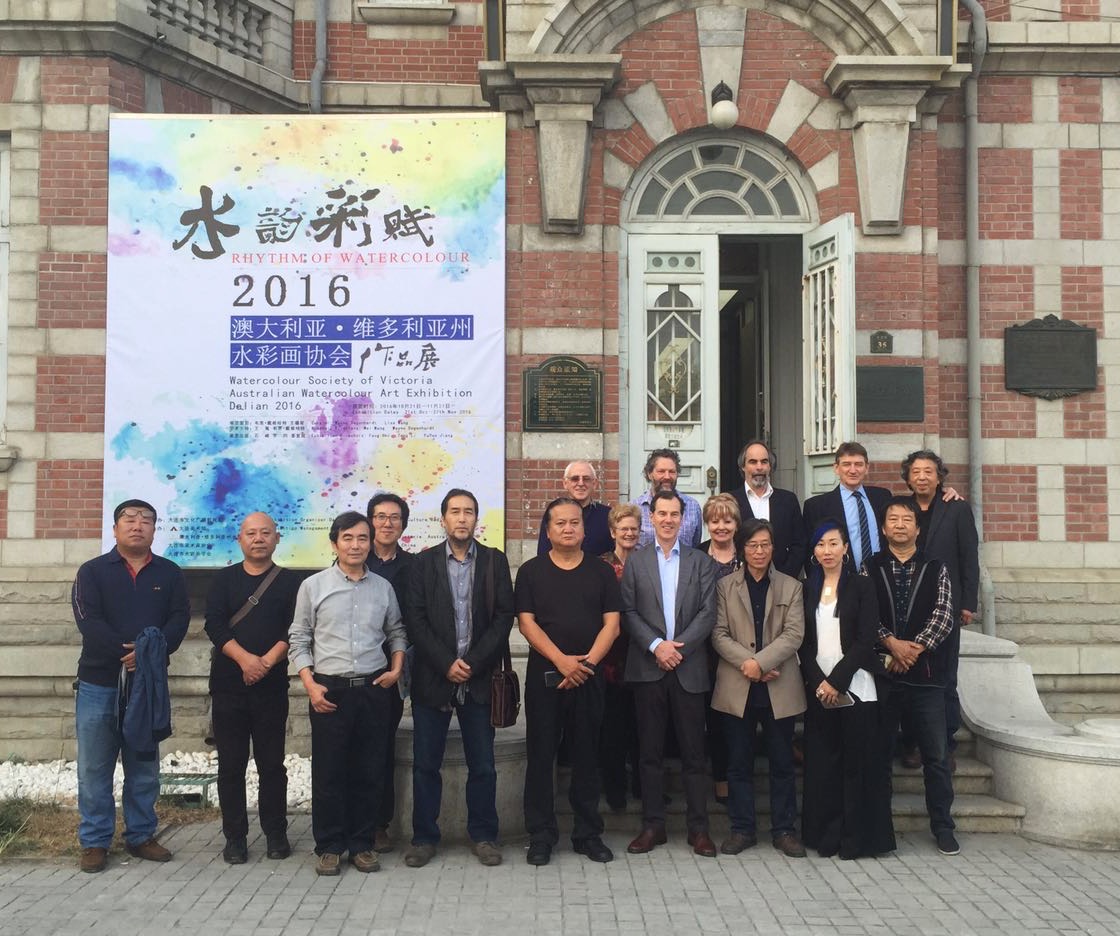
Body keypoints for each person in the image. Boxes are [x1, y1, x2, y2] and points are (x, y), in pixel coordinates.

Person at [72, 499, 190, 873]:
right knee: (94, 767)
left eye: (146, 520)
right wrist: (128, 652)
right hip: (98, 683)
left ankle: (141, 835)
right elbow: (88, 619)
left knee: (143, 765)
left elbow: (179, 619)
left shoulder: (170, 573)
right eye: (129, 519)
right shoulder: (92, 572)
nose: (138, 525)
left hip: (147, 685)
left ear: (155, 529)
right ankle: (94, 841)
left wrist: (147, 654)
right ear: (115, 528)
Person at [289, 511, 406, 876]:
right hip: (329, 690)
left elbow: (397, 631)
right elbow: (299, 638)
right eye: (348, 538)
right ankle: (329, 846)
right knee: (329, 772)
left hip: (373, 689)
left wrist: (396, 669)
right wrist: (310, 684)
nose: (356, 545)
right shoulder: (314, 586)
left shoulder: (383, 588)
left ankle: (362, 844)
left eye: (362, 539)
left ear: (371, 543)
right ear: (334, 542)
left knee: (369, 770)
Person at [404, 489, 514, 869]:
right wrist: (446, 662)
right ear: (443, 519)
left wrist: (473, 662)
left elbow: (503, 617)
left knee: (482, 764)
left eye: (469, 511)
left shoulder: (494, 562)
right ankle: (424, 837)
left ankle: (484, 835)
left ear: (476, 519)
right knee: (425, 765)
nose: (462, 518)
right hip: (433, 678)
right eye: (455, 512)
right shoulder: (423, 564)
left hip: (479, 679)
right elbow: (415, 620)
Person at [518, 496, 622, 865]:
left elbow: (613, 623)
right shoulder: (530, 572)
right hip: (545, 676)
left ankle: (587, 833)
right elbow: (526, 623)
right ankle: (541, 835)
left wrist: (587, 664)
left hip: (589, 677)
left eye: (575, 523)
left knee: (586, 756)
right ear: (548, 531)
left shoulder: (601, 572)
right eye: (560, 523)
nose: (568, 528)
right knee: (541, 756)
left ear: (584, 528)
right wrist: (563, 662)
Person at [620, 490, 718, 857]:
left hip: (688, 669)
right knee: (649, 753)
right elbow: (628, 611)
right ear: (651, 517)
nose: (668, 520)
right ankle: (653, 826)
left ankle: (699, 830)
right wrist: (656, 646)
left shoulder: (700, 561)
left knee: (694, 755)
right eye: (661, 513)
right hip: (648, 668)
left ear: (683, 518)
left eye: (674, 514)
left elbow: (709, 613)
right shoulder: (636, 562)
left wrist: (678, 650)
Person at [204, 512, 299, 864]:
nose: (258, 539)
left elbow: (295, 628)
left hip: (271, 686)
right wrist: (245, 661)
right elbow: (213, 624)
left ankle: (276, 833)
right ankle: (235, 837)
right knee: (231, 765)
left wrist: (266, 663)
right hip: (229, 685)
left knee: (272, 764)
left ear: (277, 538)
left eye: (265, 533)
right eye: (251, 533)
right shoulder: (224, 580)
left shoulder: (291, 582)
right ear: (240, 539)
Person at [866, 496, 959, 856]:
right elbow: (865, 612)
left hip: (927, 678)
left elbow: (944, 615)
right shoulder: (869, 566)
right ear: (884, 528)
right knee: (880, 755)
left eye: (907, 519)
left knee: (935, 757)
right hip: (884, 677)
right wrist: (891, 644)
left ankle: (943, 827)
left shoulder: (937, 567)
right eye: (893, 519)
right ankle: (880, 829)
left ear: (917, 529)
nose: (900, 525)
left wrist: (913, 648)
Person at [711, 519, 807, 857]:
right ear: (742, 548)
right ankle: (742, 829)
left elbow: (794, 634)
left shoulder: (791, 586)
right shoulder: (725, 587)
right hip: (738, 686)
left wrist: (761, 663)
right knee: (739, 762)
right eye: (752, 545)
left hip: (779, 685)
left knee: (782, 763)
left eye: (765, 544)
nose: (759, 551)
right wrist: (749, 665)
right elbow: (718, 633)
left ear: (773, 547)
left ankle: (784, 830)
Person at [800, 520, 895, 859]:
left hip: (856, 685)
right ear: (814, 551)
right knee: (824, 767)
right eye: (821, 544)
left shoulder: (861, 586)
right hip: (819, 690)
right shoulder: (807, 588)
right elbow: (804, 642)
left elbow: (865, 639)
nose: (827, 550)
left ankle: (856, 838)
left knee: (857, 765)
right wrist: (819, 682)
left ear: (846, 548)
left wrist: (836, 681)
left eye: (833, 543)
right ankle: (826, 835)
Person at [900, 450, 979, 769]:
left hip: (946, 606)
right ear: (907, 477)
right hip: (908, 604)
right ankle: (912, 744)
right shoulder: (899, 508)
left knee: (945, 677)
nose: (922, 477)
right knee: (908, 677)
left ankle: (946, 745)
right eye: (916, 471)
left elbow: (968, 556)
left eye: (928, 471)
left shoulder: (956, 508)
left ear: (939, 476)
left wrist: (968, 603)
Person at [365, 491, 415, 854]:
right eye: (380, 517)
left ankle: (378, 824)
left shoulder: (414, 567)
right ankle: (351, 819)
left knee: (381, 747)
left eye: (394, 517)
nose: (387, 523)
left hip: (392, 669)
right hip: (348, 667)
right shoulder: (351, 560)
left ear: (404, 524)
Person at [699, 493, 743, 806]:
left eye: (727, 520)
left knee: (741, 716)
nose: (721, 526)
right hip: (706, 649)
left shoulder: (750, 553)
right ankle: (720, 778)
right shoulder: (697, 556)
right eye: (715, 521)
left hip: (744, 647)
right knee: (714, 714)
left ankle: (741, 775)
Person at [598, 503, 642, 812]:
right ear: (613, 531)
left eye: (633, 528)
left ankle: (642, 787)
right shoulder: (600, 566)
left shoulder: (647, 563)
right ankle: (614, 791)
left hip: (642, 655)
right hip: (611, 659)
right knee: (613, 729)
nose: (628, 533)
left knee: (643, 729)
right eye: (623, 528)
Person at [802, 442, 892, 572]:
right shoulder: (816, 506)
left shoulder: (882, 497)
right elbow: (810, 552)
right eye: (846, 464)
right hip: (840, 581)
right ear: (836, 468)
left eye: (859, 464)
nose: (853, 470)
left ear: (867, 468)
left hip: (881, 579)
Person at [726, 440, 807, 576]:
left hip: (782, 583)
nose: (759, 467)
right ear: (743, 467)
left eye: (764, 462)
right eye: (753, 462)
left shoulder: (788, 500)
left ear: (770, 467)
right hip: (741, 584)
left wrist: (784, 579)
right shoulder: (730, 501)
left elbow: (799, 544)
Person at [535, 460, 613, 556]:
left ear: (595, 483)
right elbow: (543, 553)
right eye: (575, 479)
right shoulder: (554, 513)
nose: (581, 483)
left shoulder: (608, 515)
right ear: (565, 483)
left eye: (586, 479)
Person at [633, 448, 703, 549]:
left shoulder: (692, 506)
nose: (667, 476)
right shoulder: (635, 508)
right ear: (649, 474)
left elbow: (695, 545)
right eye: (661, 471)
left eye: (672, 472)